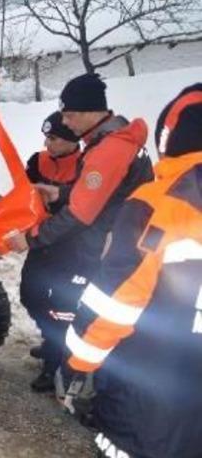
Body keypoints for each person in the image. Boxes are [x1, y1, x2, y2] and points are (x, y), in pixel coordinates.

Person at [59, 83, 202, 458]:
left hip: (151, 399)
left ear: (170, 137)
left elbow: (117, 300)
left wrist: (78, 362)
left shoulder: (161, 206)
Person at [6, 73, 154, 397]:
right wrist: (58, 192)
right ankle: (61, 360)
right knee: (54, 302)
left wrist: (29, 239)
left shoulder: (109, 150)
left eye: (70, 115)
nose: (66, 122)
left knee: (69, 310)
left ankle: (71, 379)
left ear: (91, 112)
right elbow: (95, 193)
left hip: (104, 249)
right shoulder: (111, 140)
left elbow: (80, 214)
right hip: (110, 242)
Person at [18, 112, 83, 392]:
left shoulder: (87, 166)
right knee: (29, 294)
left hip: (72, 250)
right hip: (40, 243)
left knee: (61, 308)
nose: (48, 143)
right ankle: (51, 338)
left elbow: (79, 212)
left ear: (70, 140)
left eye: (54, 138)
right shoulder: (37, 161)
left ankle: (54, 362)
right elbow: (22, 193)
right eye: (46, 137)